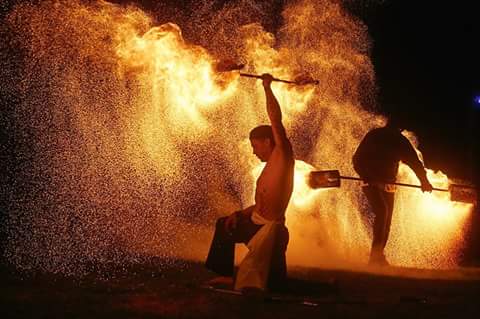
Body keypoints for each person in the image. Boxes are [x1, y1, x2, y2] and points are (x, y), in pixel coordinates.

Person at [205, 73, 295, 292]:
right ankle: (226, 275)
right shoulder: (267, 169)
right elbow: (261, 203)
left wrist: (267, 87)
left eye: (256, 146)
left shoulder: (282, 156)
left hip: (271, 232)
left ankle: (323, 288)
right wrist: (240, 214)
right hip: (254, 225)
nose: (254, 152)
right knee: (224, 223)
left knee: (274, 286)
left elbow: (276, 120)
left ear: (268, 141)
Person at [352, 117, 433, 266]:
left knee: (387, 219)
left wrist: (424, 181)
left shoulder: (399, 141)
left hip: (389, 184)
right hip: (370, 181)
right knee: (382, 211)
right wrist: (365, 174)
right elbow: (357, 159)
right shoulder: (375, 136)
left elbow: (415, 163)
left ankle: (378, 254)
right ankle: (375, 255)